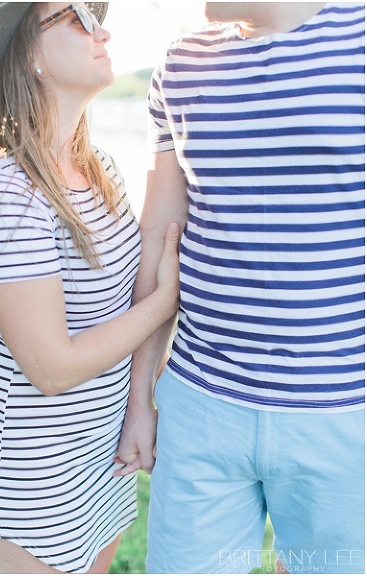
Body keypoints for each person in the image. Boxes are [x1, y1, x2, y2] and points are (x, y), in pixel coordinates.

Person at [114, 3, 365, 574]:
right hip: (202, 404)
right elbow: (158, 235)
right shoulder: (181, 64)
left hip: (346, 413)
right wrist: (139, 401)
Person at [0, 3, 181, 573]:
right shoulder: (8, 193)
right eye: (76, 17)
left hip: (102, 465)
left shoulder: (101, 171)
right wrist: (165, 301)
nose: (103, 30)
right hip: (35, 486)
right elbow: (51, 368)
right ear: (25, 53)